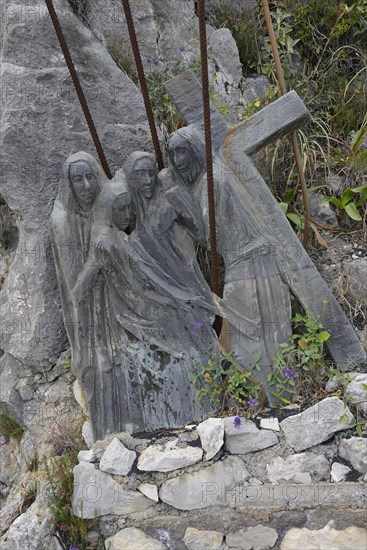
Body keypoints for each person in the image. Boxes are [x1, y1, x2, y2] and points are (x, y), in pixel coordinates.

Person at [167, 127, 293, 405]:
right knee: (247, 341)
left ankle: (274, 400)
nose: (178, 160)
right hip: (243, 265)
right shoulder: (208, 180)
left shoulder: (213, 181)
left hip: (251, 268)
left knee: (249, 342)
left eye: (182, 151)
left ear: (196, 150)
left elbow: (214, 238)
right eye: (173, 153)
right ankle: (268, 401)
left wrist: (184, 214)